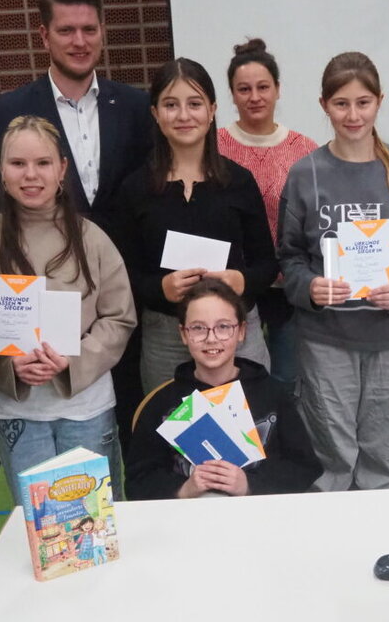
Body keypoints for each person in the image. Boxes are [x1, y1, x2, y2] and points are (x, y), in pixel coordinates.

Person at [0, 0, 151, 446]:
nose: (80, 41)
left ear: (102, 31)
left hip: (124, 297)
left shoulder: (136, 106)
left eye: (89, 29)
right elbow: (0, 205)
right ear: (44, 35)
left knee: (131, 434)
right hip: (49, 308)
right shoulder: (12, 109)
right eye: (66, 30)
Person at [277, 51, 389, 491]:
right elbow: (289, 256)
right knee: (331, 455)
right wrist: (311, 286)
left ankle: (383, 543)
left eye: (364, 102)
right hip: (326, 340)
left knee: (387, 454)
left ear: (380, 101)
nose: (353, 115)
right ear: (323, 105)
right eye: (341, 104)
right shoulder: (306, 174)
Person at [0, 116, 136, 504]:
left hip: (85, 408)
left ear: (62, 169)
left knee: (95, 520)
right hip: (17, 412)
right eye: (18, 164)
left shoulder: (93, 239)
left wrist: (73, 360)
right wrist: (6, 363)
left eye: (42, 163)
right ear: (1, 172)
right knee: (42, 526)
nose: (30, 175)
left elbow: (119, 317)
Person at [112, 58, 278, 392]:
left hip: (236, 332)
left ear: (213, 109)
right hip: (166, 335)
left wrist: (240, 280)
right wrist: (161, 288)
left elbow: (267, 264)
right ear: (156, 114)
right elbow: (124, 275)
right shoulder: (135, 189)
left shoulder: (239, 182)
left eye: (195, 104)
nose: (184, 115)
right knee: (172, 432)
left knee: (248, 433)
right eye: (171, 105)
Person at [125, 277, 321, 499]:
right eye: (198, 328)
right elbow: (136, 482)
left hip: (259, 517)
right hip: (187, 521)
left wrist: (248, 484)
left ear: (241, 332)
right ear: (183, 334)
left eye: (223, 327)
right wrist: (184, 489)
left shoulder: (271, 394)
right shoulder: (162, 403)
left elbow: (305, 468)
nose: (211, 338)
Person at [217, 38, 318, 386]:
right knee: (238, 386)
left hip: (288, 290)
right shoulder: (212, 147)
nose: (254, 96)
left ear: (277, 89)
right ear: (231, 94)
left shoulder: (304, 150)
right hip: (231, 291)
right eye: (243, 89)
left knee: (288, 384)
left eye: (263, 87)